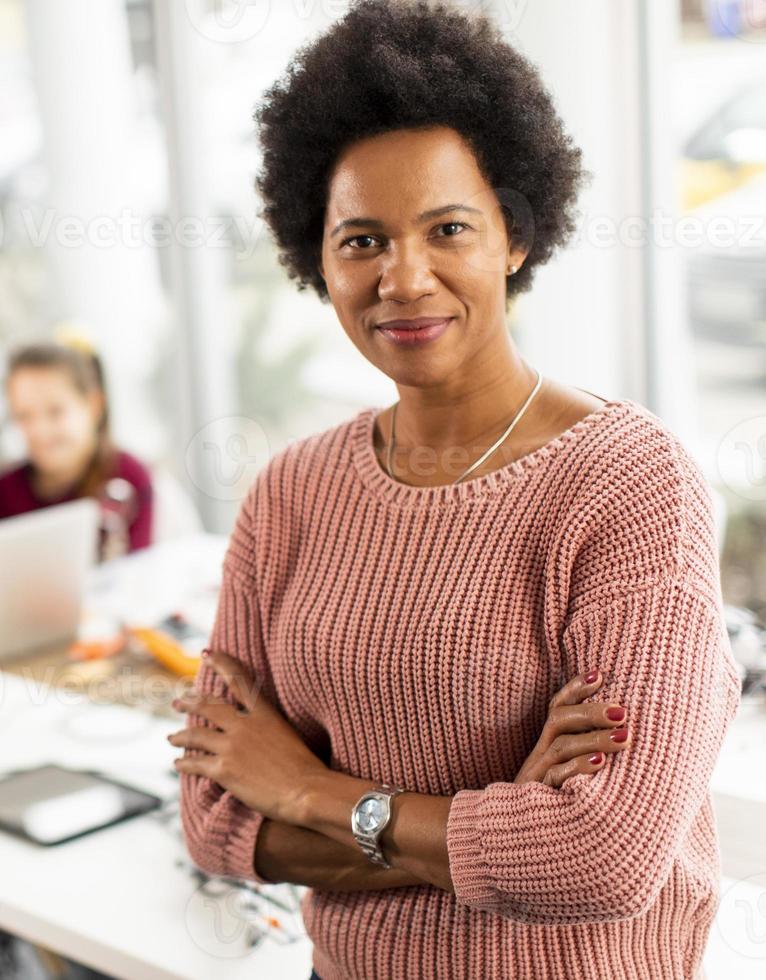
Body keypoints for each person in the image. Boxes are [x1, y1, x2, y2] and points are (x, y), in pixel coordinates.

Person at [171, 4, 742, 980]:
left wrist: (311, 789)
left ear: (513, 238)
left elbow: (604, 855)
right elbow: (217, 819)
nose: (404, 276)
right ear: (319, 258)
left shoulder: (630, 483)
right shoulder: (288, 495)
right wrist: (499, 818)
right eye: (361, 240)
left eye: (447, 228)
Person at [0, 336, 154, 561]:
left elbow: (136, 573)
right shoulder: (2, 493)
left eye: (56, 411)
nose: (39, 430)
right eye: (23, 415)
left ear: (94, 405)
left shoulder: (128, 476)